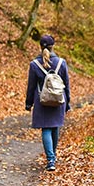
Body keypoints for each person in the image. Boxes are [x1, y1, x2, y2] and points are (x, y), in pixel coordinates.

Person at [25, 34, 71, 171]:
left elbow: (31, 86)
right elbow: (66, 84)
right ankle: (53, 157)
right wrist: (67, 102)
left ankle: (51, 160)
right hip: (58, 99)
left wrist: (29, 103)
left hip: (42, 100)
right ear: (53, 46)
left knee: (46, 128)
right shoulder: (61, 62)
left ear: (40, 47)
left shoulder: (34, 64)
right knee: (55, 127)